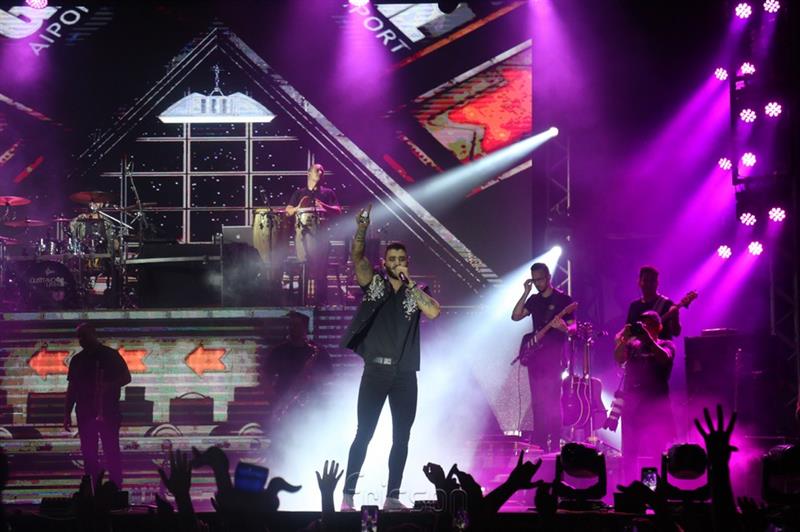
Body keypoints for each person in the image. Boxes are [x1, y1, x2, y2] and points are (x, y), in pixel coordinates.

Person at [339, 204, 441, 510]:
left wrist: (409, 284)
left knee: (401, 437)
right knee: (364, 434)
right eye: (392, 259)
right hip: (376, 372)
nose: (397, 263)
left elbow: (434, 312)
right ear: (385, 262)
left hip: (405, 375)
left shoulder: (416, 290)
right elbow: (358, 257)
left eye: (401, 259)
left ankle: (392, 497)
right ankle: (347, 496)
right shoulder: (374, 285)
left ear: (408, 262)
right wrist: (361, 228)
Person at [511, 262, 575, 452]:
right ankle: (539, 443)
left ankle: (555, 444)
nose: (537, 283)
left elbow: (573, 327)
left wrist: (562, 327)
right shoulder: (534, 300)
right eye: (534, 280)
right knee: (538, 402)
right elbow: (515, 316)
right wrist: (525, 292)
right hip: (536, 359)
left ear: (549, 277)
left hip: (555, 357)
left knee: (554, 401)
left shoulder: (564, 300)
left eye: (540, 279)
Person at [64, 323, 131, 488]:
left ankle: (115, 487)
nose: (81, 340)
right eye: (79, 337)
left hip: (109, 411)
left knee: (111, 451)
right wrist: (66, 413)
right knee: (89, 454)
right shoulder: (77, 360)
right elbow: (72, 388)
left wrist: (108, 386)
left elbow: (126, 378)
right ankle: (93, 488)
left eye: (84, 335)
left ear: (94, 334)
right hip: (85, 413)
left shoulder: (110, 355)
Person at [614, 310, 676, 480]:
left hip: (655, 406)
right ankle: (630, 487)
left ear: (659, 326)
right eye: (643, 324)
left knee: (655, 453)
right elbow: (618, 358)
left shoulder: (667, 344)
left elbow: (665, 358)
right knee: (630, 453)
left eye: (649, 324)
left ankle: (652, 489)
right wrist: (624, 339)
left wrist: (648, 338)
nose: (645, 327)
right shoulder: (633, 346)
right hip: (632, 407)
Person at [285, 163, 341, 305]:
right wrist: (298, 207)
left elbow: (338, 210)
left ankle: (321, 303)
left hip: (322, 236)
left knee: (320, 270)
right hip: (302, 235)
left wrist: (323, 206)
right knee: (304, 267)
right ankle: (302, 302)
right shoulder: (299, 193)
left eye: (322, 171)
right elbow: (288, 211)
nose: (320, 172)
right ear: (308, 173)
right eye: (317, 170)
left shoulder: (328, 193)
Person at [260, 310, 332, 418]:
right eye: (291, 325)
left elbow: (327, 376)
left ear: (305, 328)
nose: (292, 328)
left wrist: (312, 380)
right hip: (285, 405)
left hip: (311, 406)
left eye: (296, 325)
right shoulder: (278, 351)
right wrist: (274, 400)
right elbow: (265, 377)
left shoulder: (318, 351)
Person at [623, 265, 681, 341]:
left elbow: (676, 333)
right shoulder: (634, 306)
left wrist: (675, 317)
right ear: (639, 282)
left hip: (662, 347)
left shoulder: (667, 304)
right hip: (639, 348)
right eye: (646, 280)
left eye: (652, 281)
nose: (649, 284)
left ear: (657, 283)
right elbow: (628, 332)